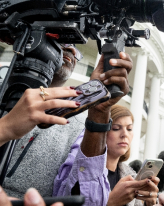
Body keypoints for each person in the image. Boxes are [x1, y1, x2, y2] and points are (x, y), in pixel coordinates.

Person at [2, 44, 133, 199]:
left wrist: (99, 110)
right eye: (62, 39)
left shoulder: (79, 127)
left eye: (75, 46)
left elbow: (87, 201)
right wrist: (5, 128)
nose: (71, 49)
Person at [53, 105, 159, 206]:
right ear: (102, 132)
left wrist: (148, 203)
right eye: (116, 128)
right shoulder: (81, 170)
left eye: (129, 129)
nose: (125, 134)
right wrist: (110, 202)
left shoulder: (132, 178)